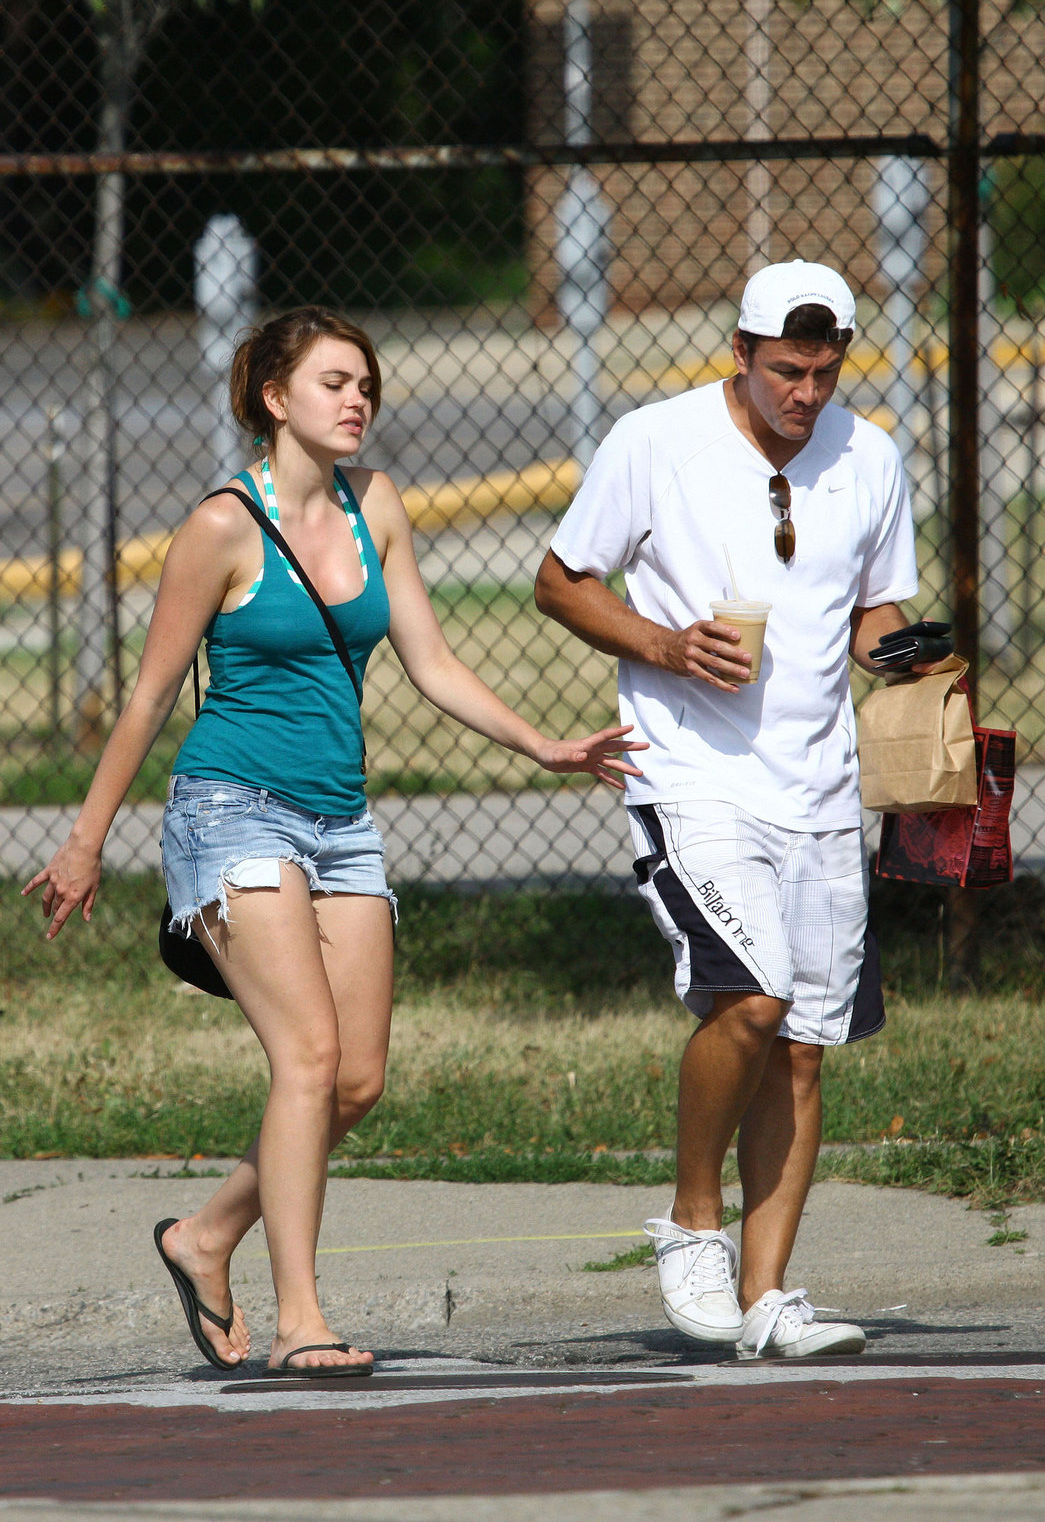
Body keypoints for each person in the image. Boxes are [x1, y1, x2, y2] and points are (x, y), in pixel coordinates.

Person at [24, 305, 644, 1379]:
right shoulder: (220, 527)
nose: (357, 399)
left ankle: (204, 1235)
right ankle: (300, 1318)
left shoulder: (377, 505)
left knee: (355, 1080)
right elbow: (149, 697)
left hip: (341, 823)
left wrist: (542, 744)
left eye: (365, 384)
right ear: (275, 398)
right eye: (333, 382)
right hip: (231, 809)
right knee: (306, 1059)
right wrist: (85, 843)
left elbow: (430, 661)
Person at [534, 259, 951, 1360]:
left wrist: (908, 655)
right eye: (783, 372)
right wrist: (665, 645)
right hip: (692, 773)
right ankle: (690, 1222)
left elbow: (871, 612)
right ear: (739, 352)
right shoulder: (654, 441)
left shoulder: (869, 455)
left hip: (819, 788)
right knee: (753, 999)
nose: (804, 394)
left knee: (803, 1045)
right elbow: (560, 581)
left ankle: (767, 1297)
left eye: (823, 372)